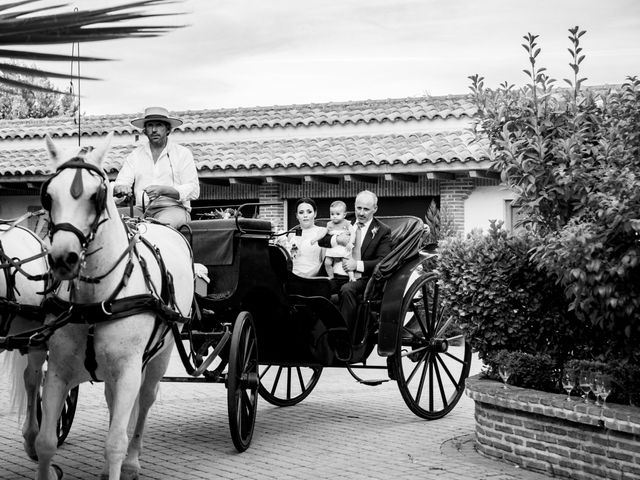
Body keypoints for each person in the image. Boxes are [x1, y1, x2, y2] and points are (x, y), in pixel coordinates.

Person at [113, 106, 200, 229]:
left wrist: (164, 190)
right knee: (108, 220)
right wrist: (120, 188)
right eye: (150, 125)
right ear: (145, 131)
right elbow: (121, 182)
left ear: (168, 130)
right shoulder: (135, 155)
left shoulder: (182, 153)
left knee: (158, 228)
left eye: (159, 125)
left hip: (173, 209)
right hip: (141, 210)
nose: (154, 130)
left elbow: (194, 190)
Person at [317, 190, 392, 332]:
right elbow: (322, 239)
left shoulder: (382, 230)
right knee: (319, 287)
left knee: (347, 290)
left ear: (375, 209)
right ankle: (317, 333)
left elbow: (383, 261)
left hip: (362, 278)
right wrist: (337, 239)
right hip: (337, 273)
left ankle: (344, 336)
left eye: (366, 209)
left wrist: (356, 264)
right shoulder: (343, 218)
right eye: (359, 208)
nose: (361, 213)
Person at [283, 198, 325, 277]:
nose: (305, 215)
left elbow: (324, 262)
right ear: (297, 216)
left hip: (312, 278)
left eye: (309, 212)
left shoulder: (322, 232)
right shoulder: (291, 235)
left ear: (315, 213)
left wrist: (306, 276)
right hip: (291, 277)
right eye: (301, 212)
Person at [313, 200, 355, 281]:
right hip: (333, 248)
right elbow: (323, 234)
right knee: (327, 263)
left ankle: (351, 277)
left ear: (344, 215)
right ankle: (331, 277)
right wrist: (315, 239)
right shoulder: (329, 224)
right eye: (332, 214)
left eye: (337, 214)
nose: (334, 216)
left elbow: (353, 233)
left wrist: (350, 242)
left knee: (346, 263)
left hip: (343, 247)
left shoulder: (346, 223)